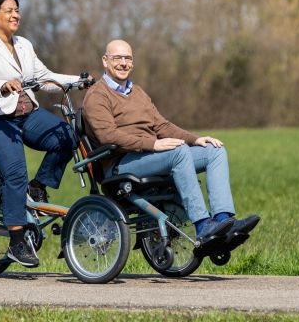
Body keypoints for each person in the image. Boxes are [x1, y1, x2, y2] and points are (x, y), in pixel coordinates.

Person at [82, 39, 260, 251]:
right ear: (105, 61)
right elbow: (108, 136)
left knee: (215, 151)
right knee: (178, 152)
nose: (123, 63)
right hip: (120, 163)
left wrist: (195, 139)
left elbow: (162, 126)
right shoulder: (97, 95)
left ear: (133, 62)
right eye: (117, 58)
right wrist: (153, 144)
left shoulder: (137, 92)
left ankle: (223, 222)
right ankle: (203, 225)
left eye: (127, 58)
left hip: (149, 156)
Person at [0, 0, 88, 267]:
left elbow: (44, 77)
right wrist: (3, 84)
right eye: (8, 10)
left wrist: (78, 81)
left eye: (17, 9)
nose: (15, 14)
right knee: (15, 169)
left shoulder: (24, 45)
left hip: (24, 114)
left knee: (67, 136)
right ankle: (17, 241)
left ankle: (38, 186)